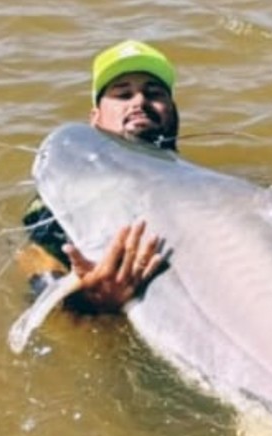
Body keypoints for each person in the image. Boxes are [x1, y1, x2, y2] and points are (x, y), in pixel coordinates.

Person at [18, 40, 177, 312]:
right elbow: (35, 266)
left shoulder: (212, 186)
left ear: (172, 111)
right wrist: (92, 300)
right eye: (123, 95)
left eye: (154, 93)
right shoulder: (59, 198)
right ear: (95, 118)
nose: (139, 101)